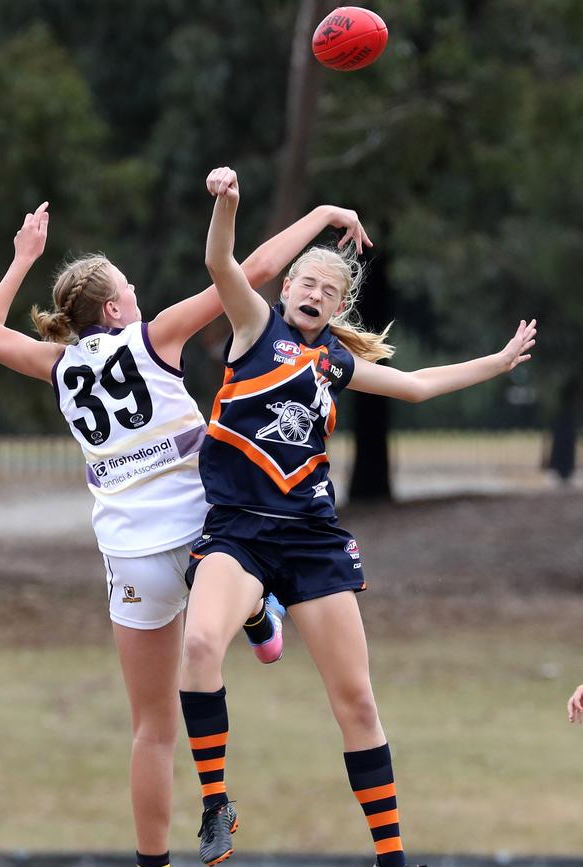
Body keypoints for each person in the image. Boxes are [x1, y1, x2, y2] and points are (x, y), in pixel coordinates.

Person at [0, 197, 371, 867]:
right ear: (117, 312)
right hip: (205, 529)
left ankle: (153, 864)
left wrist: (21, 260)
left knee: (153, 731)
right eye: (129, 289)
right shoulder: (154, 338)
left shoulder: (60, 365)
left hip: (131, 555)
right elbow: (259, 266)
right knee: (253, 558)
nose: (138, 294)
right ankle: (257, 616)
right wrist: (324, 214)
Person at [179, 166, 538, 867]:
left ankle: (393, 858)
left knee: (358, 704)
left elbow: (417, 385)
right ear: (286, 292)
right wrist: (231, 202)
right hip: (240, 533)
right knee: (197, 648)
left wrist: (496, 363)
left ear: (340, 306)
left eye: (330, 290)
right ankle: (217, 803)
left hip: (312, 541)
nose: (315, 293)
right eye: (306, 284)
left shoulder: (333, 361)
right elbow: (220, 261)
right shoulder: (255, 327)